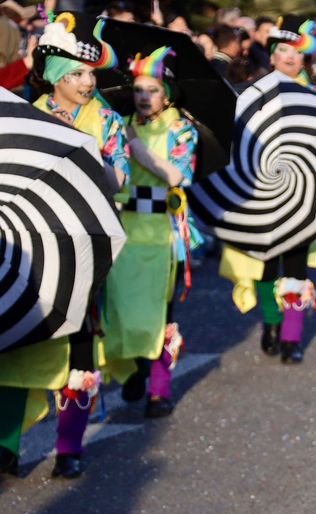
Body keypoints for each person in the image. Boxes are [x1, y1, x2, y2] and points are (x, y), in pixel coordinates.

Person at [0, 13, 128, 479]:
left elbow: (119, 180)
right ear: (55, 76)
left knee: (78, 346)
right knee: (18, 340)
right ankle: (6, 446)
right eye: (75, 72)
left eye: (89, 72)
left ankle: (69, 446)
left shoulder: (108, 121)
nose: (86, 81)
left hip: (85, 243)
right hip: (26, 242)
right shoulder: (22, 111)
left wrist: (83, 150)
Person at [222, 16, 316, 365]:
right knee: (264, 266)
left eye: (296, 52)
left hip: (302, 194)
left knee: (295, 266)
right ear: (273, 55)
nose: (290, 58)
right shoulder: (252, 93)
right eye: (283, 50)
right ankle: (272, 322)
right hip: (261, 192)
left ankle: (292, 337)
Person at [106, 46, 198, 419]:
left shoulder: (182, 129)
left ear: (168, 93)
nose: (144, 97)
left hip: (163, 234)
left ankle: (159, 391)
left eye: (153, 90)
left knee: (161, 315)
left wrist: (135, 145)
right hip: (124, 230)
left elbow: (175, 176)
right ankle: (134, 369)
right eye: (139, 89)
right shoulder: (120, 122)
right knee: (121, 310)